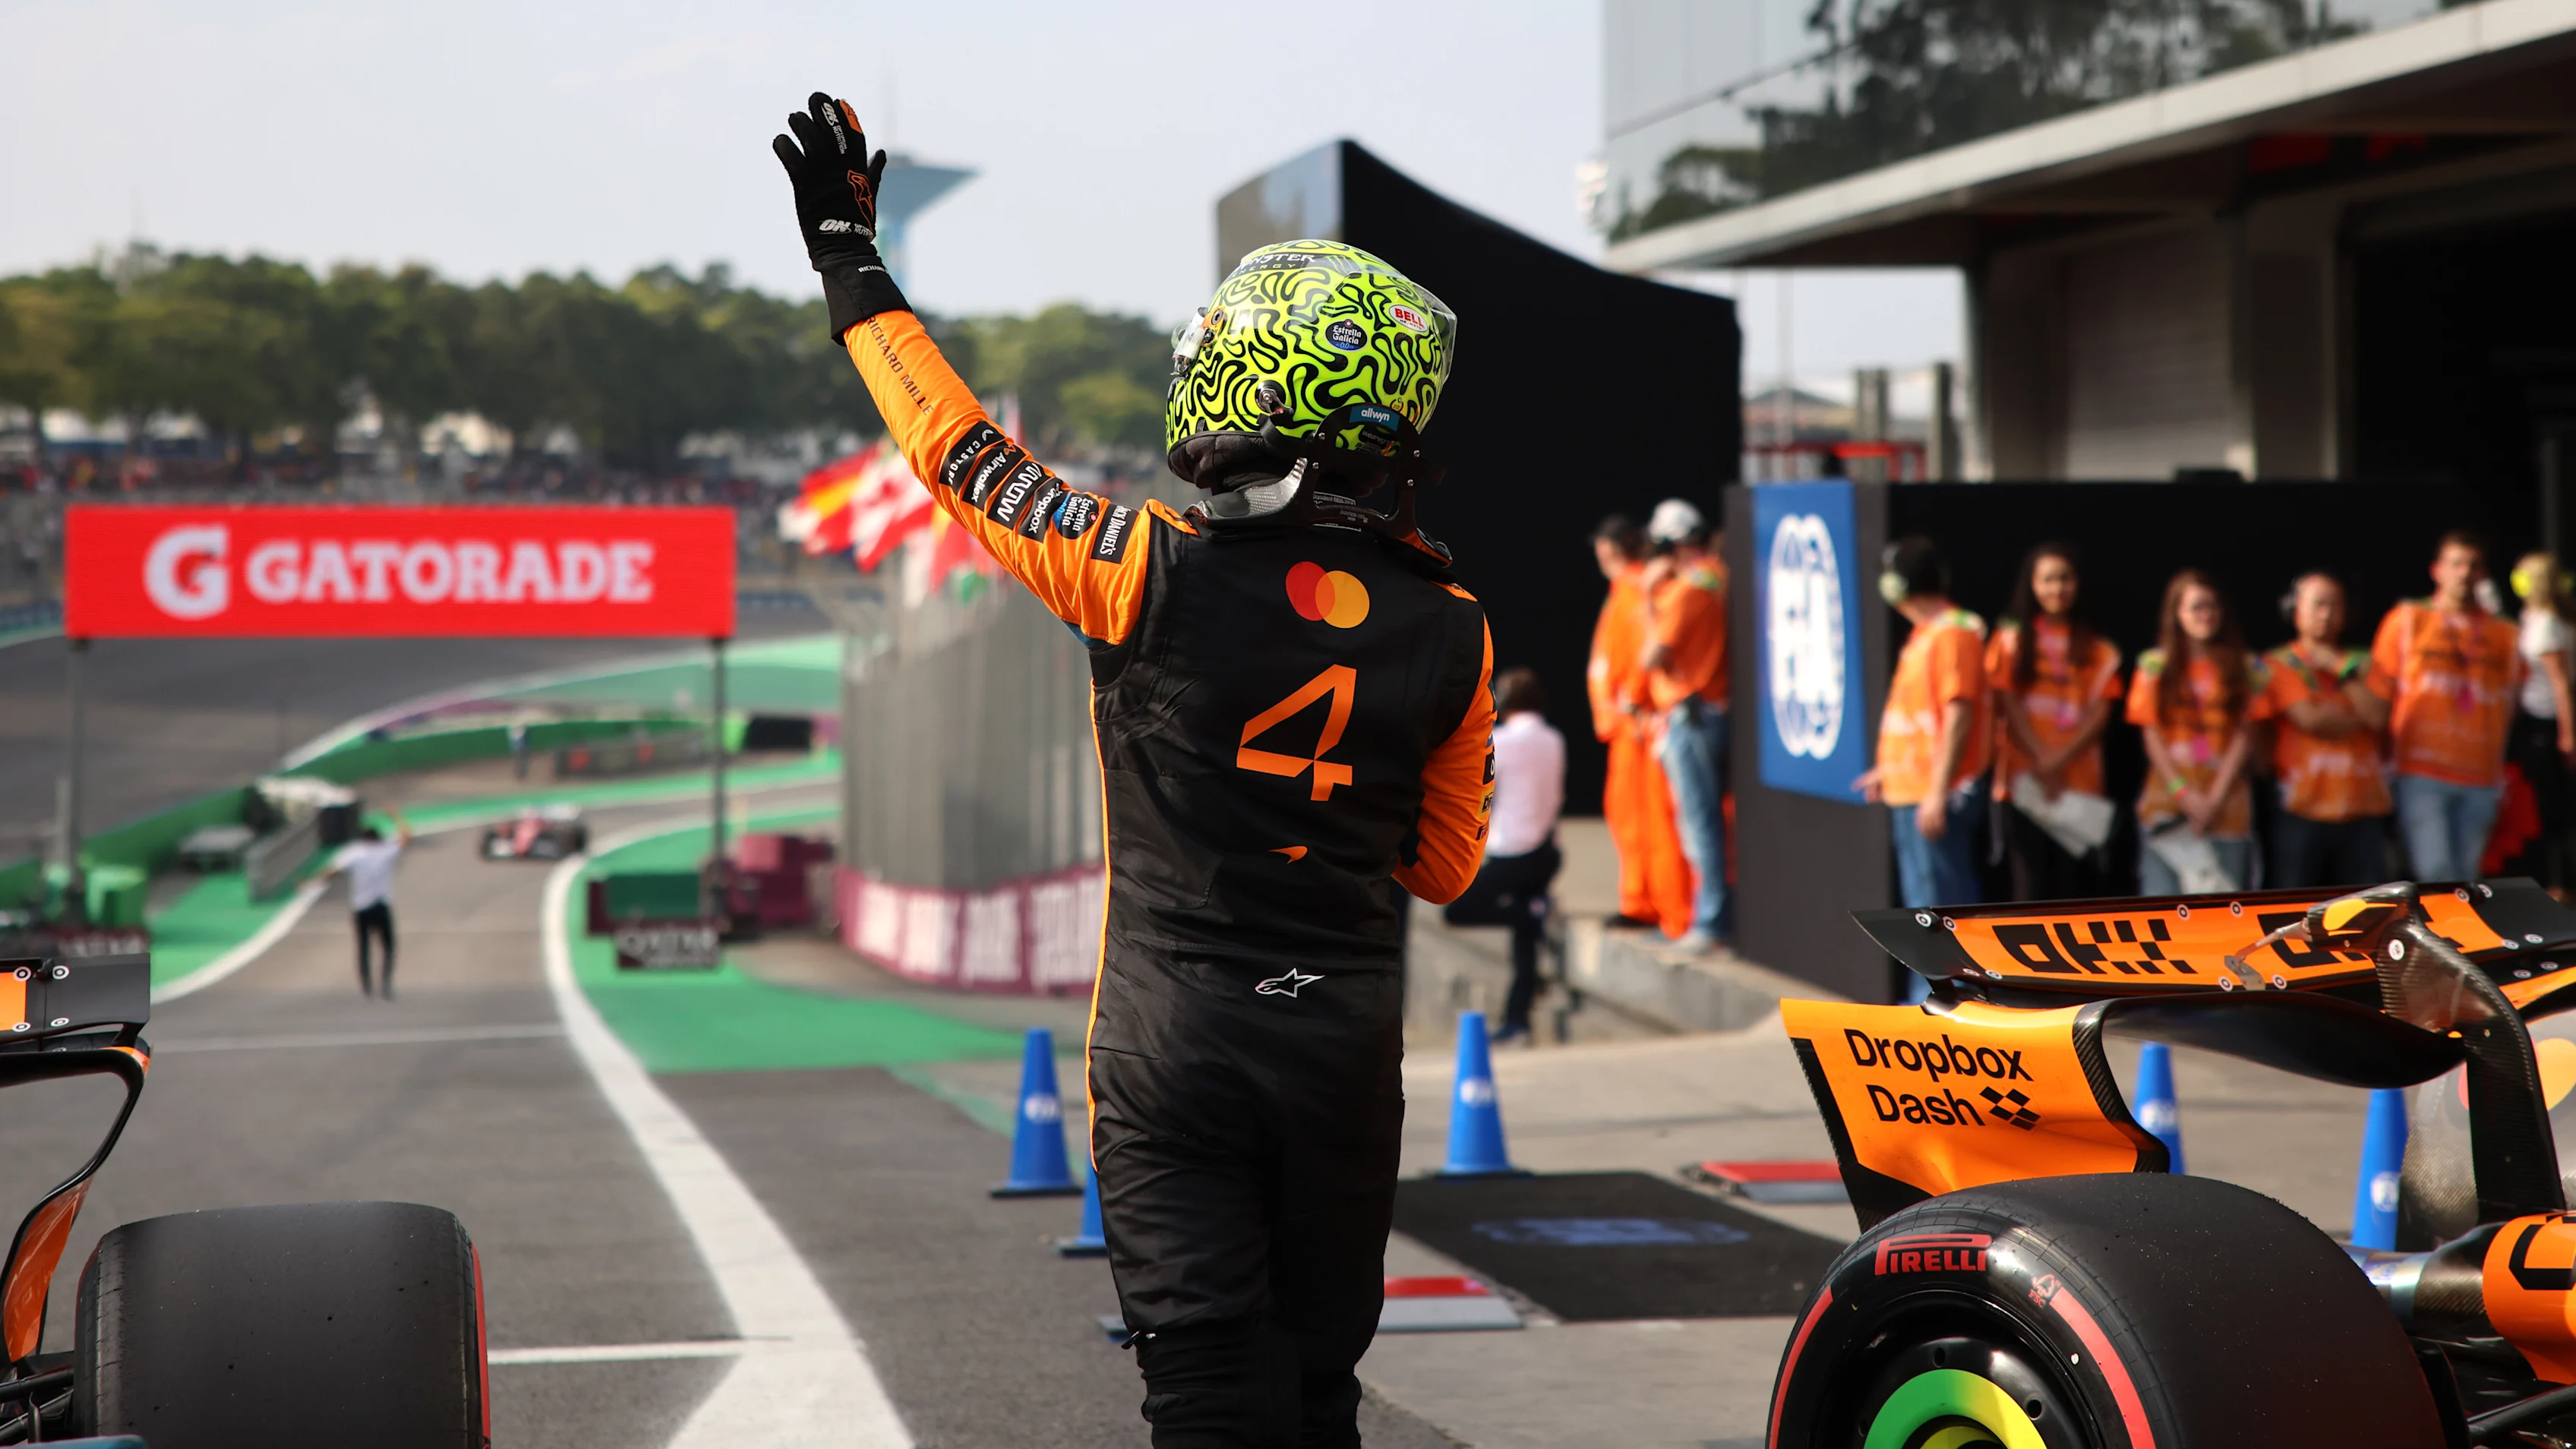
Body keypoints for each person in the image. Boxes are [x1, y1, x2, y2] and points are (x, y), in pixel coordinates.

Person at [775, 96, 1494, 1447]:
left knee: (1208, 1403)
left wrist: (848, 259)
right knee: (1318, 1398)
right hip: (1342, 1052)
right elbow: (1444, 864)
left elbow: (955, 452)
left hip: (1176, 1043)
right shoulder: (1454, 626)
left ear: (1254, 393)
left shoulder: (1136, 568)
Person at [2369, 532, 2524, 881]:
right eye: (2456, 564)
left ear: (2483, 574)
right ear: (2436, 570)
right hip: (2422, 771)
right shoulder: (2408, 619)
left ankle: (2464, 938)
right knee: (2435, 873)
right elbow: (2378, 696)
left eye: (2473, 565)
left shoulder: (2505, 633)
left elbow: (2516, 699)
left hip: (2481, 774)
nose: (2464, 573)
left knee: (2468, 879)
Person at [1854, 537, 1990, 921]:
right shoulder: (1925, 634)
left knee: (1940, 908)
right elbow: (1919, 717)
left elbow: (1959, 713)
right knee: (1922, 911)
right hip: (1912, 788)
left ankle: (1954, 984)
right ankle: (1932, 983)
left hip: (1936, 791)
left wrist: (1937, 791)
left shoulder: (1952, 633)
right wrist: (1890, 769)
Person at [1985, 543, 2122, 900]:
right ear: (2031, 584)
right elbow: (2006, 702)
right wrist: (2041, 759)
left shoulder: (2100, 649)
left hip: (2076, 785)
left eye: (2064, 579)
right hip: (2023, 782)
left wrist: (2057, 762)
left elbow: (2100, 713)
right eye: (2047, 579)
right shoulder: (2010, 640)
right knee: (2028, 889)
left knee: (2072, 891)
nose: (2056, 588)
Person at [1443, 668, 1565, 1044]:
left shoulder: (1503, 743)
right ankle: (1518, 1021)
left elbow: (1481, 794)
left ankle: (1532, 913)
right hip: (1546, 853)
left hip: (1514, 854)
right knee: (1523, 938)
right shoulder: (1554, 739)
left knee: (1456, 909)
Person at [1586, 513, 1694, 936]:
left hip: (1636, 727)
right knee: (1634, 820)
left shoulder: (1632, 591)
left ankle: (1666, 910)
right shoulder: (1628, 590)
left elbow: (1638, 655)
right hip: (1628, 726)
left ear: (1607, 549)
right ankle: (1649, 903)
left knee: (1650, 823)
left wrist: (1634, 701)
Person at [2128, 571, 2261, 895]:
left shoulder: (2247, 667)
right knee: (2161, 914)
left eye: (2213, 606)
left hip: (2225, 808)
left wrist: (2212, 800)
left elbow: (2247, 733)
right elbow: (2151, 733)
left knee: (2225, 920)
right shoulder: (2153, 664)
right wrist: (2183, 794)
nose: (2206, 615)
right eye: (2197, 607)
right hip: (2167, 808)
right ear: (2177, 613)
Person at [2256, 573, 2391, 889]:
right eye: (2318, 605)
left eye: (2334, 606)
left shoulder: (2365, 662)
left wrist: (2339, 668)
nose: (2326, 615)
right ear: (2295, 610)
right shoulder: (2278, 663)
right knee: (2293, 904)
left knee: (2371, 907)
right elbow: (2312, 721)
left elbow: (2378, 716)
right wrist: (2359, 715)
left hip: (2362, 806)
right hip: (2302, 807)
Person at [1636, 497, 1729, 948]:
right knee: (1704, 822)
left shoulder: (1688, 587)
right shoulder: (1715, 576)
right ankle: (1706, 918)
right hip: (1706, 711)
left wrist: (1648, 596)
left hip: (1691, 715)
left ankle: (1709, 922)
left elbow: (1652, 655)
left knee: (1699, 823)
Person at [2508, 552, 2576, 891]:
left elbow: (2560, 683)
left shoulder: (2549, 622)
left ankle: (2558, 887)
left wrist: (2567, 735)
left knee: (2551, 811)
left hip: (2546, 725)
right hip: (2532, 723)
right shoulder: (2534, 617)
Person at [326, 811, 412, 999]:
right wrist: (395, 815)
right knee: (388, 947)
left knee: (363, 948)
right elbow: (406, 836)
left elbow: (334, 871)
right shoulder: (386, 850)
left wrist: (313, 881)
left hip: (361, 908)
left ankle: (367, 985)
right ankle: (386, 984)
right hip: (381, 906)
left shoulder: (355, 853)